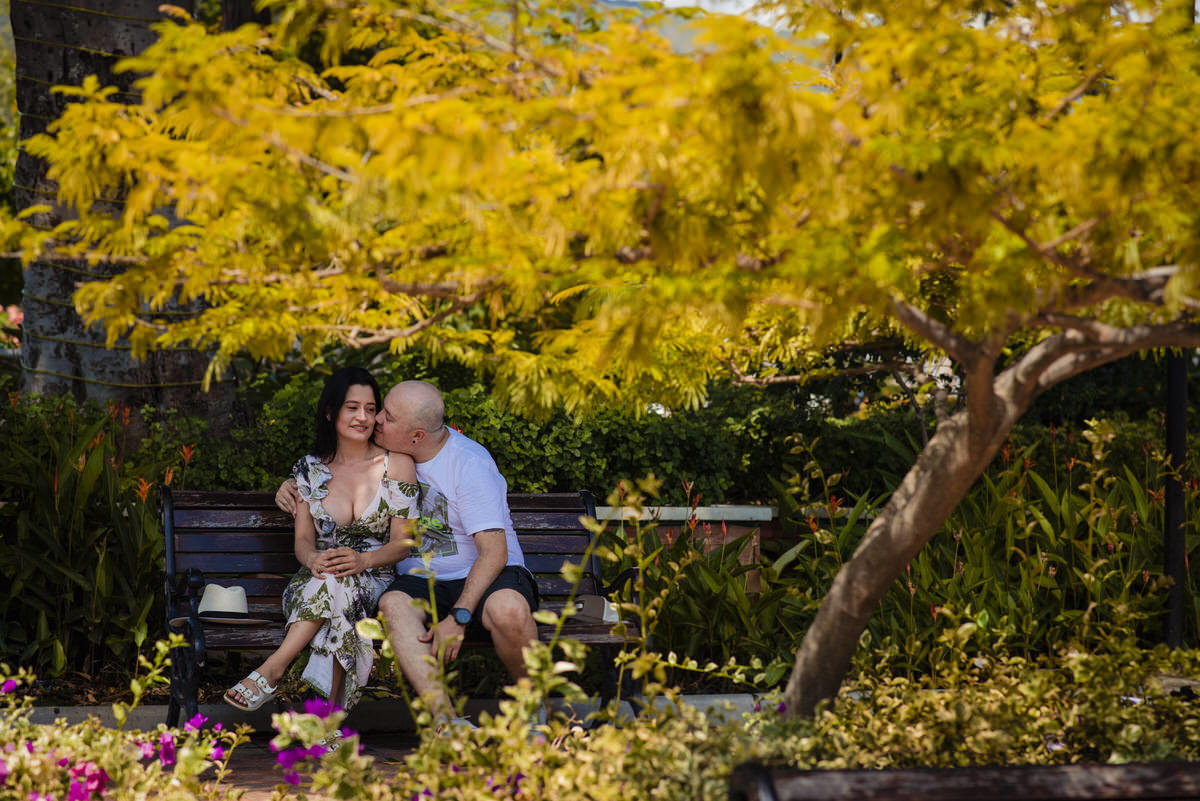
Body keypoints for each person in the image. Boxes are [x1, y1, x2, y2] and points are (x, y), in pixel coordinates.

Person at [277, 380, 539, 725]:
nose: (377, 420)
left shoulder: (469, 464)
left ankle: (536, 710)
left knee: (507, 610)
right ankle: (445, 723)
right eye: (380, 409)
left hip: (488, 574)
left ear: (416, 436)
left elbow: (494, 554)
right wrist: (289, 489)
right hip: (423, 580)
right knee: (393, 604)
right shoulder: (386, 453)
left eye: (388, 416)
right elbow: (331, 469)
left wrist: (458, 617)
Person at [226, 367, 420, 716]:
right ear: (331, 412)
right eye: (352, 407)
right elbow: (302, 541)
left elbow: (403, 544)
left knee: (341, 591)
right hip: (315, 579)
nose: (363, 417)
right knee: (334, 587)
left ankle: (273, 669)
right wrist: (313, 559)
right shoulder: (309, 470)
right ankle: (326, 726)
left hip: (374, 578)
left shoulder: (397, 465)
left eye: (371, 408)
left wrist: (363, 561)